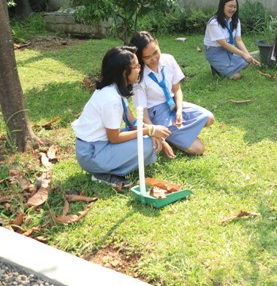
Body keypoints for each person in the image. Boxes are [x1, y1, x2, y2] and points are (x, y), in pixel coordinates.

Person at [72, 46, 171, 187]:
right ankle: (103, 174)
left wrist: (153, 132)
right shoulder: (110, 98)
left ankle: (112, 167)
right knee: (147, 144)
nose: (140, 68)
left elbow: (131, 121)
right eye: (136, 66)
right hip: (92, 153)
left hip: (101, 145)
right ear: (125, 72)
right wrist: (148, 131)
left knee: (150, 140)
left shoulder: (115, 89)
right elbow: (115, 138)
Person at [131, 31, 215, 156]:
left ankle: (180, 134)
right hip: (156, 113)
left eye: (155, 52)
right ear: (140, 57)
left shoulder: (168, 59)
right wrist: (157, 135)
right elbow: (144, 115)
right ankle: (172, 137)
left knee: (209, 118)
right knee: (198, 148)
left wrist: (179, 110)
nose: (154, 59)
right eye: (147, 57)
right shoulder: (138, 77)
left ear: (158, 44)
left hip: (173, 103)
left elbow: (176, 89)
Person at [203, 0, 260, 79]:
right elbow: (224, 44)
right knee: (236, 76)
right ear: (222, 5)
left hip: (228, 49)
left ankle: (222, 67)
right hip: (215, 52)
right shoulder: (214, 23)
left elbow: (238, 40)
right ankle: (215, 68)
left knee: (246, 63)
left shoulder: (236, 21)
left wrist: (249, 56)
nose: (233, 9)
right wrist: (243, 54)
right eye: (230, 6)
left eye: (235, 7)